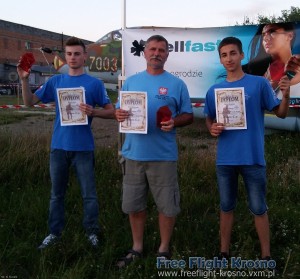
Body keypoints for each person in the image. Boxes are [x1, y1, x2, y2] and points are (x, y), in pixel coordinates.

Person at [17, 36, 115, 249]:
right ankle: (54, 233)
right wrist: (24, 80)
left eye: (77, 53)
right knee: (56, 194)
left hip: (83, 148)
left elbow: (111, 112)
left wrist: (94, 111)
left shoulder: (95, 84)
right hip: (59, 147)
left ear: (84, 56)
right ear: (65, 57)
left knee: (89, 194)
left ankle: (92, 232)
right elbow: (29, 102)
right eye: (69, 54)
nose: (72, 58)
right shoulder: (55, 82)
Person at [204, 37, 290, 260]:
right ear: (220, 60)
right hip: (225, 159)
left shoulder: (258, 84)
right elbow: (209, 118)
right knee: (226, 206)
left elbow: (280, 113)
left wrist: (286, 95)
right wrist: (212, 128)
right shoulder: (215, 90)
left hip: (252, 158)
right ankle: (223, 252)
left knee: (259, 207)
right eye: (224, 55)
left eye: (233, 53)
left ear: (242, 55)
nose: (229, 58)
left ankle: (266, 256)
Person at [115, 35, 193, 267]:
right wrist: (119, 114)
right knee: (134, 205)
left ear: (167, 54)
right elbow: (120, 111)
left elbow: (188, 115)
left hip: (163, 156)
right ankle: (137, 247)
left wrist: (175, 122)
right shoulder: (131, 82)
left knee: (167, 206)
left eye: (161, 50)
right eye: (152, 49)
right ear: (145, 53)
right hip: (133, 154)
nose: (156, 53)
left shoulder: (177, 84)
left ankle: (163, 248)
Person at [243, 22, 300, 98]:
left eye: (272, 32)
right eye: (263, 34)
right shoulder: (252, 73)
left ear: (289, 35)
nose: (265, 38)